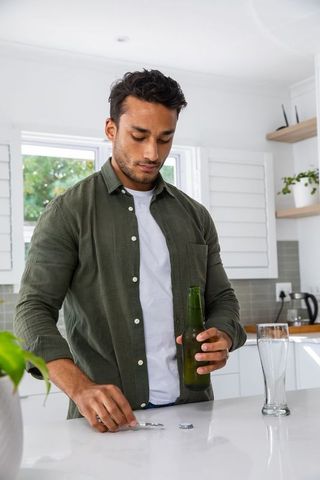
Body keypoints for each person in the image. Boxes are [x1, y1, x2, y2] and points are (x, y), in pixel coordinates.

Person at [14, 69, 246, 433]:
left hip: (194, 417)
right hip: (109, 424)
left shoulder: (195, 216)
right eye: (139, 136)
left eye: (165, 139)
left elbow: (223, 299)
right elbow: (32, 309)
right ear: (111, 130)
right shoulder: (68, 213)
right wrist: (81, 388)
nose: (153, 152)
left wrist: (223, 334)